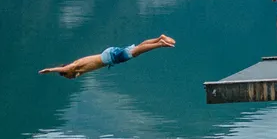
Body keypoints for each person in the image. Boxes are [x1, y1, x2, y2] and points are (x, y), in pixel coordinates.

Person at [39, 34, 175, 78]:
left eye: (68, 75)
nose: (71, 77)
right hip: (109, 55)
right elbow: (73, 75)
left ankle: (160, 44)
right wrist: (69, 74)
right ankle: (159, 38)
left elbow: (65, 70)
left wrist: (50, 70)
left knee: (136, 52)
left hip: (110, 57)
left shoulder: (74, 66)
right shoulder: (77, 69)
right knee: (137, 49)